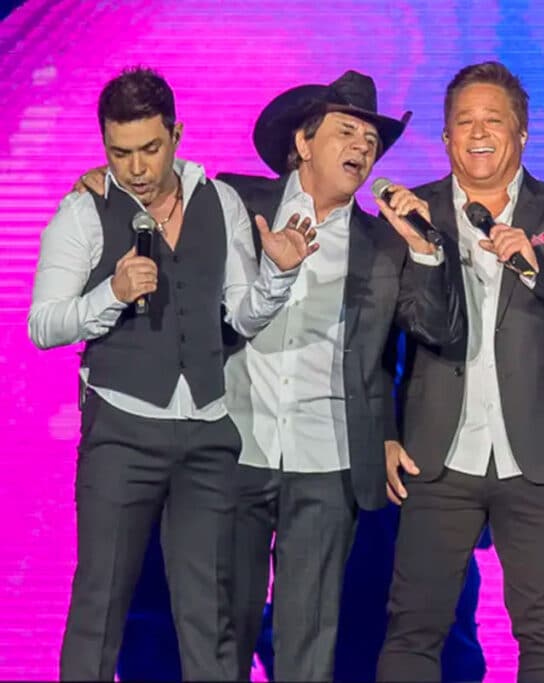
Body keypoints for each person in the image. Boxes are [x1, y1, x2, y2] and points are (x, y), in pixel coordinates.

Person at [28, 66, 315, 681]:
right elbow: (43, 324)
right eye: (119, 152)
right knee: (100, 605)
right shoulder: (83, 212)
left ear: (177, 134)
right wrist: (109, 292)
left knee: (210, 615)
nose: (135, 168)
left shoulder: (221, 201)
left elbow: (243, 313)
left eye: (149, 149)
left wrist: (280, 276)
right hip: (122, 435)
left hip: (208, 434)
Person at [376, 60, 544, 683]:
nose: (479, 133)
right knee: (414, 627)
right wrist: (382, 430)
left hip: (537, 450)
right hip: (437, 451)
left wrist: (536, 267)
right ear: (445, 138)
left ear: (522, 134)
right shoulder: (415, 210)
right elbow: (383, 333)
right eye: (465, 122)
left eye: (494, 121)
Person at [215, 70, 463, 681]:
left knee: (308, 636)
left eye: (371, 142)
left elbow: (437, 329)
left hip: (327, 456)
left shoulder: (382, 244)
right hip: (234, 446)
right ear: (303, 143)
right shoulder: (235, 204)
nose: (361, 148)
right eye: (345, 131)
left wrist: (426, 249)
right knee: (222, 628)